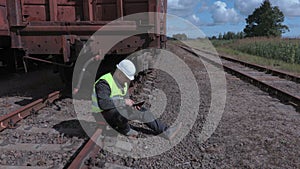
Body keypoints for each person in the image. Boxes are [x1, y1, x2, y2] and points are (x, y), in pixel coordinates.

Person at [91, 59, 181, 140]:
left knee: (143, 111)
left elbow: (124, 99)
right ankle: (125, 130)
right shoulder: (104, 82)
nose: (127, 81)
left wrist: (132, 106)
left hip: (114, 111)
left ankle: (166, 131)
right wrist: (124, 102)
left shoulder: (123, 83)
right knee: (120, 112)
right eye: (126, 78)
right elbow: (103, 104)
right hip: (101, 114)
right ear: (119, 73)